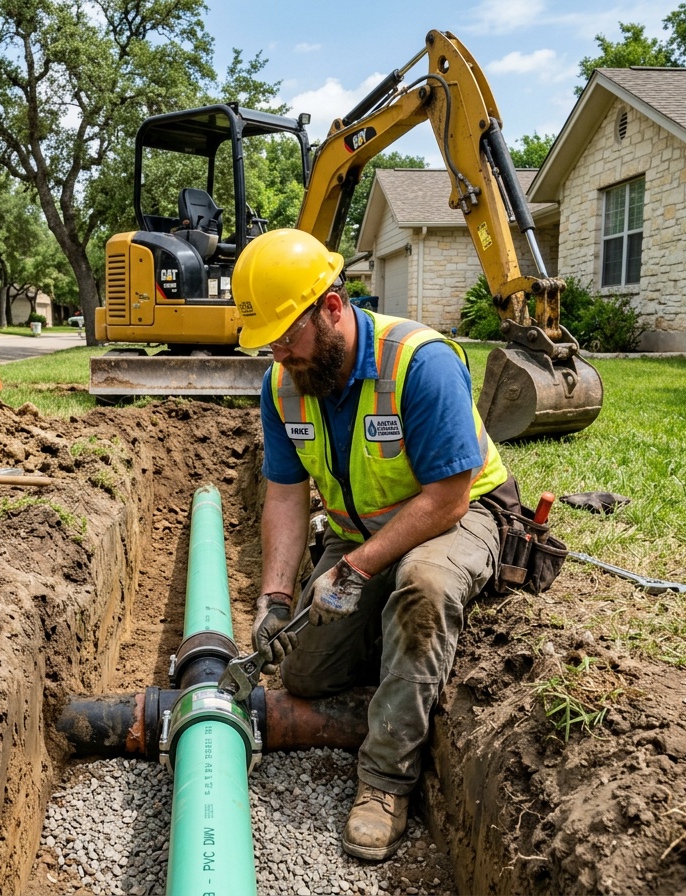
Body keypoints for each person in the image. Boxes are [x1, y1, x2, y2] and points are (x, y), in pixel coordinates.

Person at [232, 229, 509, 862]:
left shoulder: (420, 361)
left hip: (456, 514)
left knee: (424, 588)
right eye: (269, 344)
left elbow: (448, 497)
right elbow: (283, 493)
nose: (281, 357)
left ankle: (385, 780)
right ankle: (397, 679)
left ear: (331, 307)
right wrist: (276, 598)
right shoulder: (283, 384)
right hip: (362, 534)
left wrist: (355, 568)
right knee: (302, 670)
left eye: (288, 337)